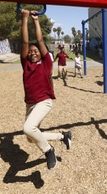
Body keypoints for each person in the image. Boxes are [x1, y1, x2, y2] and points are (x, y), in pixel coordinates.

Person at [20, 9, 71, 170]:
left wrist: (35, 21)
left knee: (28, 128)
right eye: (30, 52)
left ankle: (49, 150)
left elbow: (40, 40)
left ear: (42, 54)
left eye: (36, 51)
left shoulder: (46, 63)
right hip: (30, 104)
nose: (33, 52)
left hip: (44, 101)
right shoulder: (26, 64)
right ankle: (63, 136)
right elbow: (25, 42)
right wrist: (24, 18)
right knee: (30, 137)